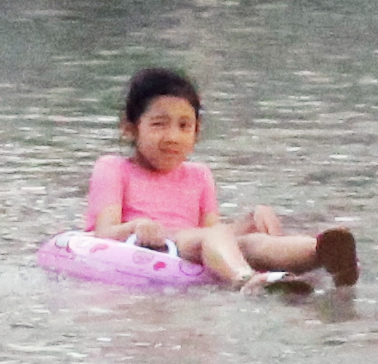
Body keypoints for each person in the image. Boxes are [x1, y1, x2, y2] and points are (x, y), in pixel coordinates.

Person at [85, 65, 357, 286]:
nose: (172, 137)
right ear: (131, 128)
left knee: (252, 242)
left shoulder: (199, 175)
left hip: (193, 243)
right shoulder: (114, 168)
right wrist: (137, 227)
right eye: (158, 124)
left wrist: (246, 223)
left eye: (184, 125)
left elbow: (216, 231)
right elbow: (103, 233)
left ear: (197, 131)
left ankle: (321, 253)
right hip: (155, 248)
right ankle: (244, 279)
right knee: (212, 237)